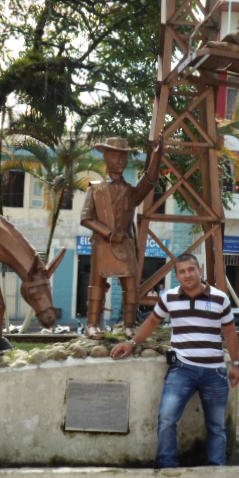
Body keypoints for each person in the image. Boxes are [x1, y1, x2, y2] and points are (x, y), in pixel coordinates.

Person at [110, 253, 239, 467]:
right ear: (177, 276)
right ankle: (167, 467)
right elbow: (152, 322)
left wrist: (236, 364)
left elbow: (230, 332)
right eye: (182, 271)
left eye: (191, 269)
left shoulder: (220, 298)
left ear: (200, 271)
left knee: (217, 426)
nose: (187, 274)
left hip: (215, 372)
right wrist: (132, 344)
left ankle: (217, 469)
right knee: (167, 419)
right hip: (182, 369)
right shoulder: (169, 298)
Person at [81, 133, 168, 338]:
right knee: (98, 285)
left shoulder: (131, 192)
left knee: (130, 285)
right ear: (106, 158)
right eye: (114, 156)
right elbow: (85, 218)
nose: (119, 161)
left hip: (125, 244)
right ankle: (92, 324)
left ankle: (130, 325)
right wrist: (109, 233)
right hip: (103, 244)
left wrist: (156, 156)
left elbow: (149, 181)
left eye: (123, 157)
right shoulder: (96, 189)